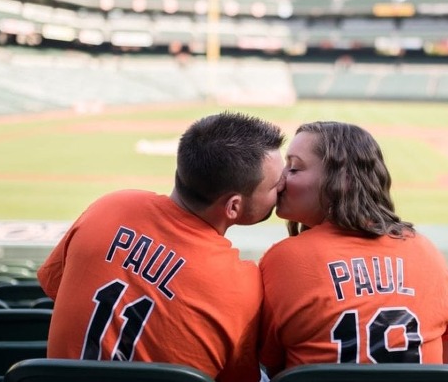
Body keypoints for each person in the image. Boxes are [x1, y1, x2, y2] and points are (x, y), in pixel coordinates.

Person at [37, 111, 285, 382]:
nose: (284, 187)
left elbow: (58, 291)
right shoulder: (241, 286)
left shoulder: (108, 207)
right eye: (275, 185)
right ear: (233, 206)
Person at [259, 121, 448, 376]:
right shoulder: (425, 251)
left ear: (342, 181)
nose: (280, 180)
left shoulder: (284, 259)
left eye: (293, 168)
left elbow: (273, 365)